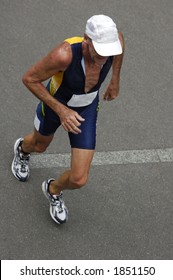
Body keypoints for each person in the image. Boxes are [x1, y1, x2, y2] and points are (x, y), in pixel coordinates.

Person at [11, 14, 124, 225]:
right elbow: (29, 79)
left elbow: (119, 46)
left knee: (79, 178)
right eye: (100, 52)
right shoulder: (63, 55)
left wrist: (115, 80)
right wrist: (62, 111)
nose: (104, 59)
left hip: (87, 108)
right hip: (57, 104)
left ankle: (53, 189)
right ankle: (22, 149)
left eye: (109, 52)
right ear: (86, 40)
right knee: (39, 145)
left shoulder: (113, 42)